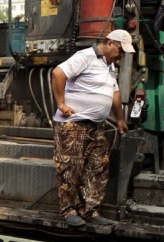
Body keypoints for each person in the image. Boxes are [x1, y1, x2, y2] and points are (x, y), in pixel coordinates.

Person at [51, 29, 131, 228]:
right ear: (110, 42)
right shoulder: (85, 56)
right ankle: (69, 210)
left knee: (98, 167)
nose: (121, 56)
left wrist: (120, 119)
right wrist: (61, 104)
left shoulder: (109, 66)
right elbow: (58, 73)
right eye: (120, 51)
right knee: (70, 168)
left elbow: (114, 94)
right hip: (74, 124)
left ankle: (90, 210)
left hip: (95, 126)